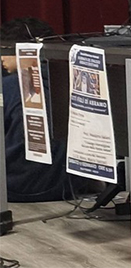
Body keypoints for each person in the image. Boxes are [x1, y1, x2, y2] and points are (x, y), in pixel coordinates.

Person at [1, 17, 88, 202]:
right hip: (65, 187)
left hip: (13, 187)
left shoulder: (9, 87)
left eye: (4, 50)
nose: (1, 57)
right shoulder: (75, 81)